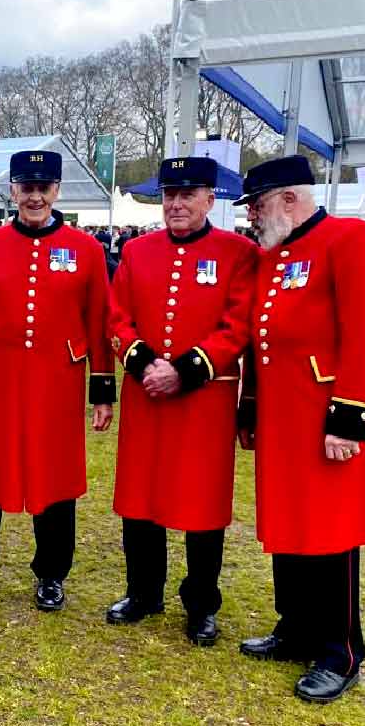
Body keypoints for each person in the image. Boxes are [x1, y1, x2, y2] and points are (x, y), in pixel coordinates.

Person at [235, 155, 365, 704]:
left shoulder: (348, 241)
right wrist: (251, 409)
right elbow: (263, 344)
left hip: (329, 418)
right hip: (284, 420)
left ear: (286, 198)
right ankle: (296, 627)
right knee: (289, 525)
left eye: (256, 205)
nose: (252, 217)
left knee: (331, 533)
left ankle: (341, 651)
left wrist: (349, 418)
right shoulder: (274, 256)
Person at [0, 150, 115, 612]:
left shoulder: (86, 249)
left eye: (44, 187)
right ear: (13, 191)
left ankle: (52, 573)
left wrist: (102, 389)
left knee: (55, 474)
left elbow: (99, 319)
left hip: (57, 379)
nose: (35, 196)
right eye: (26, 187)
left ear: (56, 190)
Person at [105, 157, 256, 645]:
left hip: (204, 398)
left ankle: (201, 605)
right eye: (170, 194)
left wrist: (187, 369)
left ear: (211, 199)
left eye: (188, 195)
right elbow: (117, 316)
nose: (176, 203)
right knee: (140, 497)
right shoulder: (136, 251)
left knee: (202, 502)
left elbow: (238, 326)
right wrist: (145, 363)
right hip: (146, 392)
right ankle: (144, 592)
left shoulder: (238, 252)